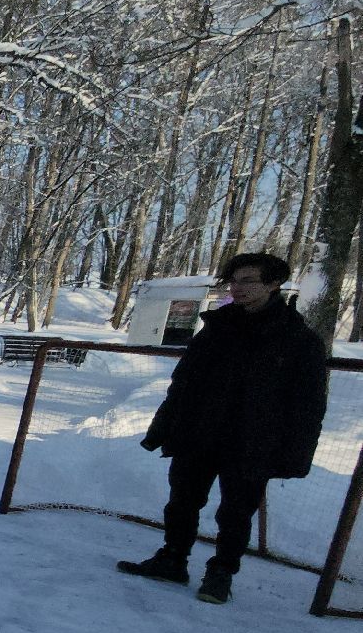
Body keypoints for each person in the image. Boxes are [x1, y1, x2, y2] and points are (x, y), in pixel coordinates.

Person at [119, 252, 327, 604]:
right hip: (199, 434)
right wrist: (164, 427)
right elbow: (184, 382)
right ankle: (172, 559)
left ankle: (220, 574)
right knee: (182, 501)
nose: (238, 288)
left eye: (249, 280)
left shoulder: (298, 339)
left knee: (234, 513)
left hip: (252, 442)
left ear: (274, 284)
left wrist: (295, 454)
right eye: (235, 280)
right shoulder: (217, 327)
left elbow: (307, 406)